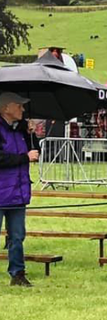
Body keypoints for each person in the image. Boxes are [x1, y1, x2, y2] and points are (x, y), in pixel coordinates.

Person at [1, 91, 40, 288]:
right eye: (19, 105)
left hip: (17, 193)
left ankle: (18, 274)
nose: (22, 109)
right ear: (5, 108)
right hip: (1, 192)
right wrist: (25, 157)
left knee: (17, 236)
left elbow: (36, 152)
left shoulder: (20, 129)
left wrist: (31, 134)